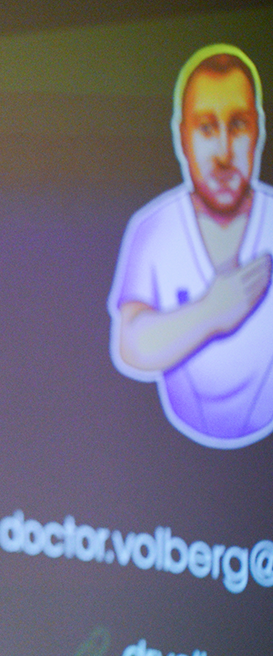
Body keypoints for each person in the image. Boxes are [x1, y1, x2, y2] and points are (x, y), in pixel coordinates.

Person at [108, 43, 273, 449]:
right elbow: (130, 345)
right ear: (182, 137)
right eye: (206, 128)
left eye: (238, 125)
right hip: (161, 457)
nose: (224, 153)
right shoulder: (152, 229)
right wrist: (212, 313)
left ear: (259, 132)